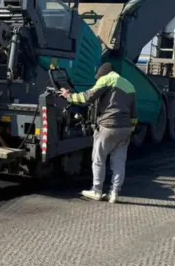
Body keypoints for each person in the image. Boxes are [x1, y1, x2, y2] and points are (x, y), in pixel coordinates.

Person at [59, 62, 138, 203]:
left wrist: (69, 96)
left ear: (103, 74)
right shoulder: (130, 85)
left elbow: (88, 97)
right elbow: (134, 114)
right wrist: (130, 130)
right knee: (119, 163)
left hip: (108, 126)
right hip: (125, 129)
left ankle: (97, 190)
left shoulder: (107, 79)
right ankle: (114, 193)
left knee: (99, 160)